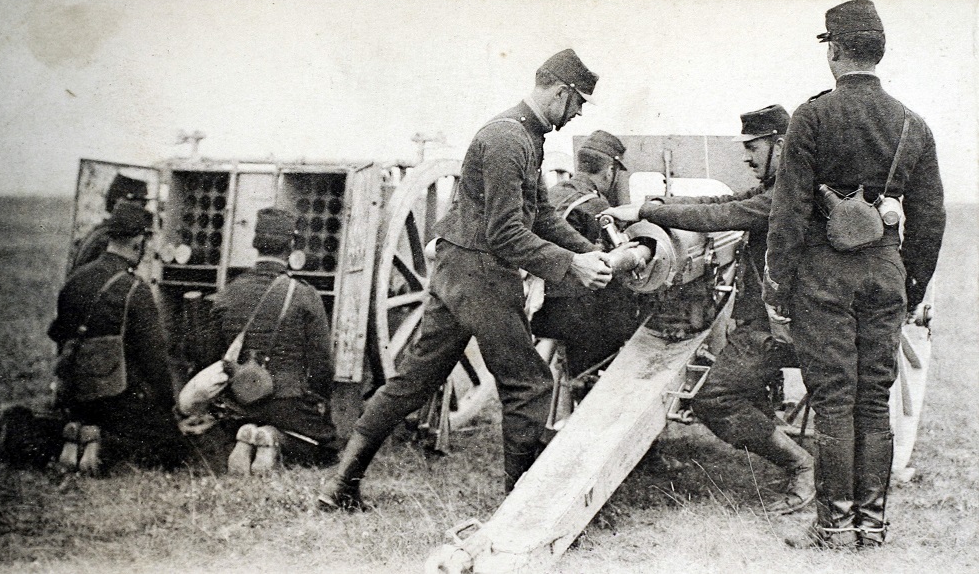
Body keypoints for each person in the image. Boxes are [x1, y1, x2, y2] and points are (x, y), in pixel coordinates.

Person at [318, 49, 614, 510]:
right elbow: (506, 232)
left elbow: (541, 215)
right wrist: (570, 265)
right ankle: (521, 510)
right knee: (528, 384)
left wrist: (589, 251)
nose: (576, 116)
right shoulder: (507, 139)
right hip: (481, 274)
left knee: (413, 380)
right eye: (577, 104)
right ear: (560, 92)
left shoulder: (525, 136)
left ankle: (340, 486)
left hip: (460, 271)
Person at [762, 0, 945, 548]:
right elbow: (931, 218)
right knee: (873, 400)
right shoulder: (914, 124)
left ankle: (834, 527)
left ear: (835, 51)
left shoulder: (811, 118)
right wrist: (909, 284)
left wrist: (777, 284)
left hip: (822, 279)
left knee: (836, 398)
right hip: (886, 276)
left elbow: (788, 212)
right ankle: (872, 526)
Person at [602, 105, 814, 515]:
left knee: (715, 398)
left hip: (785, 325)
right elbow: (726, 200)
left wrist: (647, 212)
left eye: (753, 147)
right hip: (762, 318)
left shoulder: (788, 193)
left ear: (781, 144)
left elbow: (724, 214)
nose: (746, 157)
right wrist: (662, 202)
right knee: (736, 385)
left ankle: (801, 465)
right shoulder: (779, 186)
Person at [177, 207, 339, 474]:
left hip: (239, 404)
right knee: (326, 448)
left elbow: (208, 357)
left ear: (255, 244)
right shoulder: (304, 295)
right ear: (292, 246)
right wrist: (317, 401)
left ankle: (246, 434)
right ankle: (274, 439)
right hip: (287, 402)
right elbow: (322, 365)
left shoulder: (228, 293)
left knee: (227, 429)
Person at [49, 200, 185, 475]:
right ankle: (104, 445)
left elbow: (59, 338)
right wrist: (168, 406)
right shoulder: (135, 290)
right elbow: (154, 361)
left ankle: (76, 434)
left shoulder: (73, 282)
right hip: (119, 398)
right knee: (172, 446)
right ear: (138, 242)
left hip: (76, 397)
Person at [531, 130, 640, 376]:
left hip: (537, 309)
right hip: (570, 316)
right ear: (609, 171)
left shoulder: (553, 192)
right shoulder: (596, 206)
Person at [68, 173, 149, 275]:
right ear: (121, 201)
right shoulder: (106, 239)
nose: (143, 209)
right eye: (142, 203)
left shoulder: (101, 232)